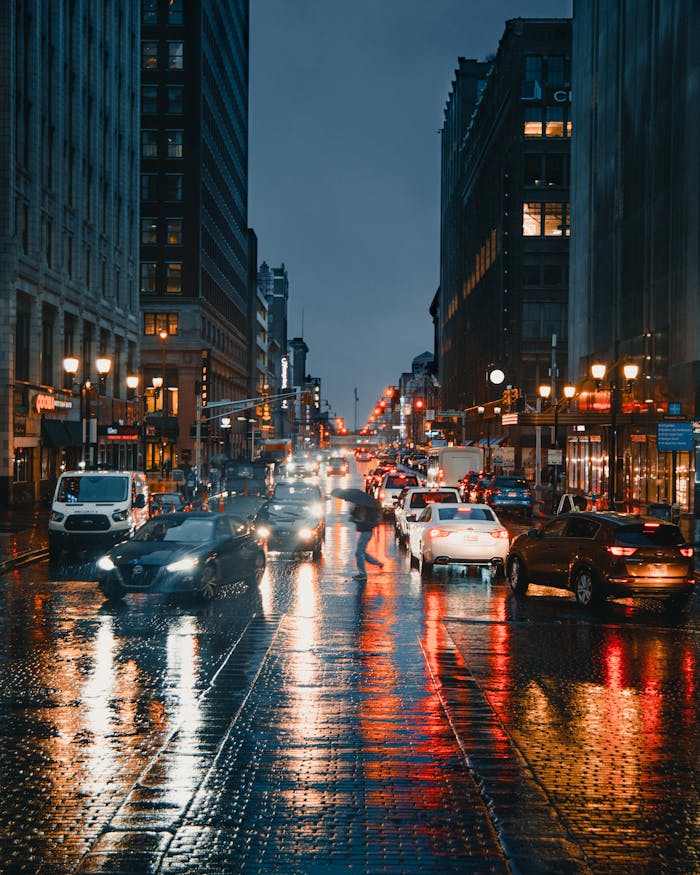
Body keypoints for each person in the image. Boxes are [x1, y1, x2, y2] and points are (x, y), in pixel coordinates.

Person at [350, 500, 383, 580]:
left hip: (366, 532)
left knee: (359, 553)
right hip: (366, 532)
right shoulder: (365, 508)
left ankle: (363, 574)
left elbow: (363, 521)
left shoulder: (364, 509)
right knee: (362, 552)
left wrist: (354, 518)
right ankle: (378, 563)